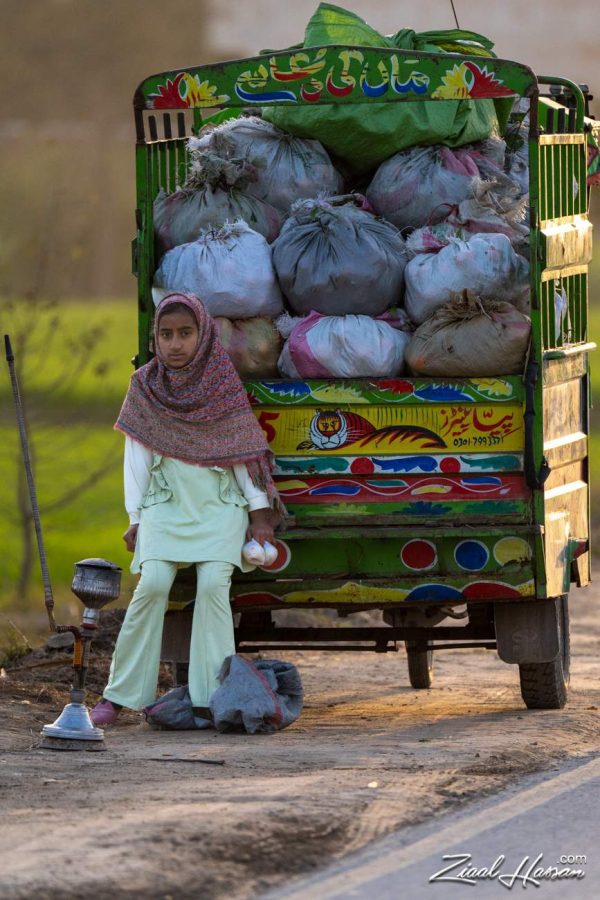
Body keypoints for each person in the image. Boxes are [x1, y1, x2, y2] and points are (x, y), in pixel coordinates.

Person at [90, 292, 282, 726]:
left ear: (204, 335)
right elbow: (135, 462)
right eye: (166, 334)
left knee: (214, 584)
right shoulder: (145, 386)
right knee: (153, 583)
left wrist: (258, 516)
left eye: (185, 334)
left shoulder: (221, 383)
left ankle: (210, 698)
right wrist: (135, 519)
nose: (175, 344)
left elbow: (242, 454)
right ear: (155, 338)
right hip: (165, 503)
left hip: (218, 506)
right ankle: (118, 696)